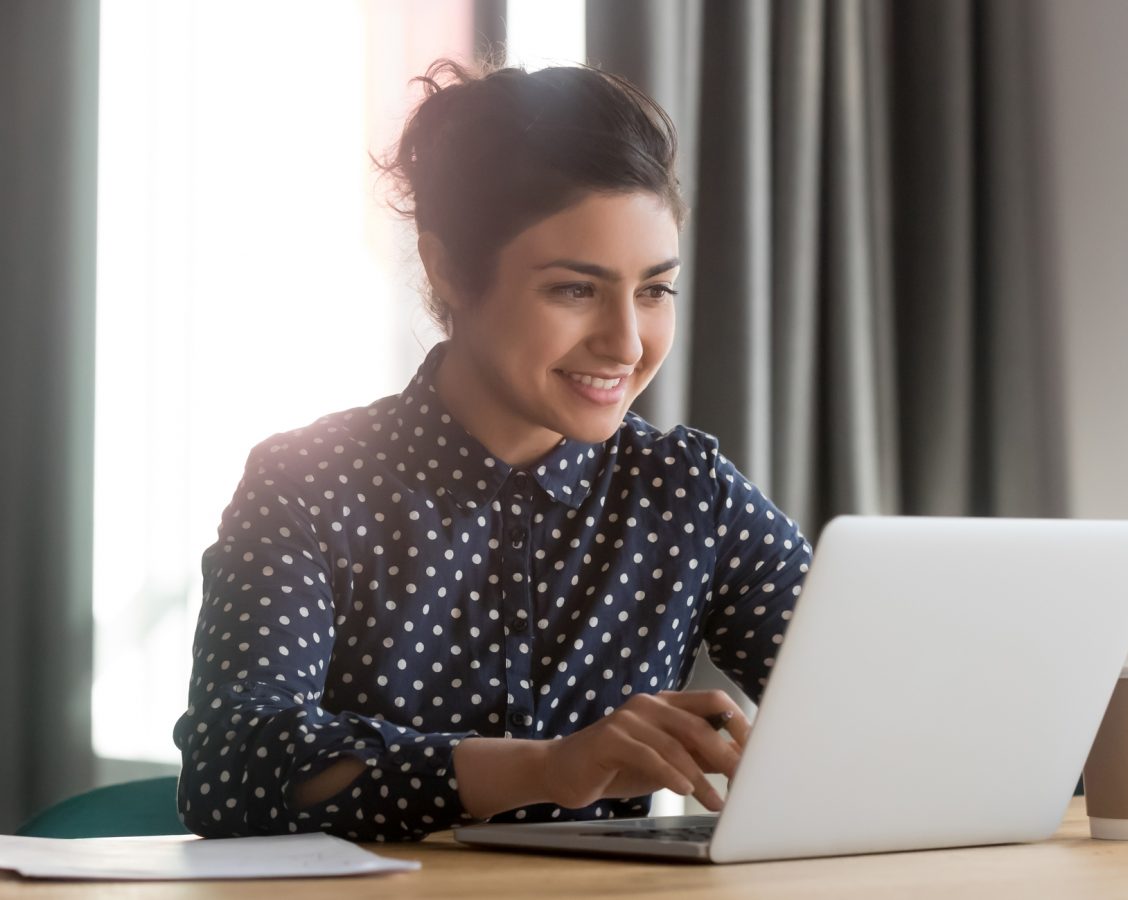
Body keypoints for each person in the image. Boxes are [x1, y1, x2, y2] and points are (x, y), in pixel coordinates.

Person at [173, 59, 813, 842]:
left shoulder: (688, 493)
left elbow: (870, 705)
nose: (626, 343)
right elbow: (232, 769)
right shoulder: (308, 483)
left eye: (653, 290)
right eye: (574, 290)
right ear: (448, 269)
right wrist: (549, 768)